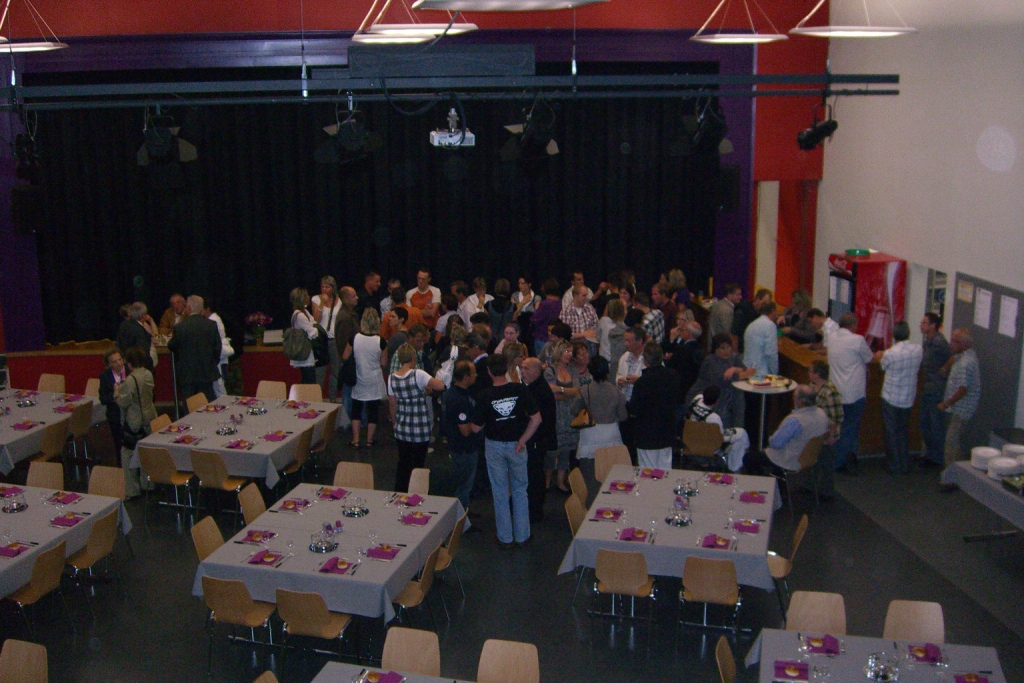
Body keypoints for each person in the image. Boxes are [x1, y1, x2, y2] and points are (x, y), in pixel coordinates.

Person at [470, 354, 542, 547]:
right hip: (517, 445)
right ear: (507, 368)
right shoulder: (520, 389)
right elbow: (536, 418)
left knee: (500, 491)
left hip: (494, 446)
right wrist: (523, 440)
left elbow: (475, 428)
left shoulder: (484, 395)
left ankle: (505, 537)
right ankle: (523, 535)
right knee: (520, 490)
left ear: (489, 371)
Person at [388, 343, 446, 492]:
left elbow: (392, 404)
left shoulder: (391, 378)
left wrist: (395, 423)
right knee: (418, 463)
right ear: (413, 358)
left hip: (402, 428)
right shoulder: (418, 374)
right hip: (420, 428)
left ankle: (400, 492)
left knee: (403, 463)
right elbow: (440, 386)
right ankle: (416, 492)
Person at [743, 386, 828, 476]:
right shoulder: (822, 413)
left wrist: (770, 437)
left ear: (800, 401)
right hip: (809, 459)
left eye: (794, 397)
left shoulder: (795, 420)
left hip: (789, 462)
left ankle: (765, 479)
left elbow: (775, 444)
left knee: (748, 457)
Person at [827, 312, 874, 473]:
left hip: (835, 391)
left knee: (840, 427)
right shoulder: (857, 340)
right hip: (854, 393)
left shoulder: (831, 338)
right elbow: (869, 358)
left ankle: (847, 457)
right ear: (853, 325)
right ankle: (841, 461)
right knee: (849, 428)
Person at [875, 321, 923, 475]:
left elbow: (882, 366)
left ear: (894, 335)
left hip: (891, 396)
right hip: (908, 397)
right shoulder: (918, 349)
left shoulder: (890, 353)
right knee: (903, 430)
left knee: (891, 432)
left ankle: (894, 465)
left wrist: (880, 356)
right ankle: (904, 463)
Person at [576, 356, 628, 500]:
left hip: (590, 433)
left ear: (590, 371)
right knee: (613, 475)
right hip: (611, 433)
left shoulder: (585, 390)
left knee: (590, 476)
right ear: (607, 371)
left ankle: (592, 504)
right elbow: (623, 416)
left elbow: (573, 409)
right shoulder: (616, 392)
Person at [627, 342, 679, 470]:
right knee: (665, 470)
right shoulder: (673, 376)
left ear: (645, 360)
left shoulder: (642, 382)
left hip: (647, 434)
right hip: (666, 432)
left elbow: (634, 409)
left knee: (647, 472)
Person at [686, 333, 755, 429]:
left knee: (738, 396)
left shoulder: (734, 358)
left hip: (727, 397)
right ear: (716, 349)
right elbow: (722, 380)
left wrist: (735, 369)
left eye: (728, 347)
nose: (726, 351)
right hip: (708, 398)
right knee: (733, 394)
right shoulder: (710, 360)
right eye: (722, 348)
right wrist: (742, 374)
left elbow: (749, 372)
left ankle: (737, 431)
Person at [441, 360, 485, 511]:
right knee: (464, 485)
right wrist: (481, 423)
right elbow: (465, 430)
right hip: (464, 449)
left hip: (458, 446)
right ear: (466, 377)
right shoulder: (460, 400)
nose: (476, 375)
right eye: (473, 373)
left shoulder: (453, 393)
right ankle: (460, 516)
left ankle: (462, 512)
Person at [116, 346, 157, 499]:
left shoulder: (130, 380)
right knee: (146, 451)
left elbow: (124, 402)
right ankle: (148, 483)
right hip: (150, 416)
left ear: (130, 363)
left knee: (127, 454)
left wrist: (116, 393)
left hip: (135, 420)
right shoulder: (148, 374)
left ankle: (132, 489)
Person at [939, 328, 981, 472]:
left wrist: (947, 403)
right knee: (956, 443)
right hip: (960, 408)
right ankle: (959, 472)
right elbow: (954, 357)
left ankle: (951, 476)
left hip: (962, 410)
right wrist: (945, 367)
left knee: (951, 442)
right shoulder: (966, 354)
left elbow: (963, 389)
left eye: (954, 341)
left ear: (963, 344)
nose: (950, 343)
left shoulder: (965, 363)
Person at [168, 295, 222, 404]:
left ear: (188, 307)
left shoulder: (180, 327)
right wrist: (211, 362)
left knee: (190, 406)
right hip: (207, 372)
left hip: (187, 374)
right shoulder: (211, 325)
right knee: (208, 406)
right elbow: (217, 348)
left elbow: (171, 346)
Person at [521, 357, 557, 523]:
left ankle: (534, 510)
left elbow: (535, 417)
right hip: (538, 439)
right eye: (522, 368)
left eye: (526, 368)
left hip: (536, 439)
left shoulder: (538, 391)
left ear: (537, 371)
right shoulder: (535, 387)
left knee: (534, 475)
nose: (523, 372)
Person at [685, 385, 750, 472]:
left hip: (690, 438)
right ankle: (734, 466)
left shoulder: (697, 398)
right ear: (716, 401)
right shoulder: (714, 418)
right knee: (742, 434)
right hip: (707, 444)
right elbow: (719, 437)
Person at [544, 340, 581, 493]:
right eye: (566, 351)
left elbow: (577, 391)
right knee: (552, 450)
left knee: (567, 449)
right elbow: (550, 393)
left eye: (571, 352)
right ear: (558, 352)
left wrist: (560, 389)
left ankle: (560, 480)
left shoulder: (573, 369)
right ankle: (546, 481)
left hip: (570, 414)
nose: (569, 354)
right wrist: (568, 392)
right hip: (555, 414)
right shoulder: (550, 370)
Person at [351, 308, 388, 448]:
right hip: (374, 379)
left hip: (359, 377)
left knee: (356, 409)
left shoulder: (354, 338)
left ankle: (355, 440)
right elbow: (383, 363)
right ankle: (369, 440)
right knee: (373, 410)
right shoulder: (381, 341)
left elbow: (345, 356)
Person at [918, 312, 951, 468]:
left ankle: (937, 458)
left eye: (925, 323)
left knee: (934, 423)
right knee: (925, 422)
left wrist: (945, 368)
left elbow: (953, 356)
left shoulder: (939, 342)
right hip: (928, 386)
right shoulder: (928, 341)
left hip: (936, 388)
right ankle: (931, 455)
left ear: (933, 325)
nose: (921, 325)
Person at [807, 360, 843, 500]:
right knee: (814, 460)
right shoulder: (813, 387)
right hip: (816, 432)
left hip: (827, 434)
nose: (808, 373)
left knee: (826, 463)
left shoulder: (830, 392)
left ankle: (827, 491)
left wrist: (832, 435)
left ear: (817, 374)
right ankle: (811, 485)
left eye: (811, 371)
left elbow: (836, 417)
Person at [311, 276, 343, 401]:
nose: (324, 289)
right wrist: (321, 304)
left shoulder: (339, 300)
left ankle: (332, 397)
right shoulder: (316, 299)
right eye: (322, 286)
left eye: (327, 287)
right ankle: (318, 398)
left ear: (333, 288)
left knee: (335, 370)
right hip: (321, 340)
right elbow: (316, 320)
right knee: (320, 371)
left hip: (334, 339)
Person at [664, 318, 704, 411]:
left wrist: (668, 359)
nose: (681, 331)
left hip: (680, 387)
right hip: (694, 385)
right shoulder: (701, 347)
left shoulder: (682, 349)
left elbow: (671, 365)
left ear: (688, 333)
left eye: (683, 329)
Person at [333, 286, 361, 417]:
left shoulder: (350, 314)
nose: (357, 298)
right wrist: (347, 358)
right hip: (348, 360)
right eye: (353, 296)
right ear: (345, 299)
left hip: (351, 358)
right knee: (348, 390)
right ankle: (346, 420)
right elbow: (343, 343)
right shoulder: (345, 318)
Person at [286, 288, 320, 386]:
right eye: (307, 295)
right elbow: (312, 332)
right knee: (309, 380)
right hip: (304, 353)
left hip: (308, 351)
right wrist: (317, 329)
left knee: (307, 379)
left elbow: (313, 322)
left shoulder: (304, 311)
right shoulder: (299, 315)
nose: (309, 297)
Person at [202, 297, 234, 398]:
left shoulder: (212, 320)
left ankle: (224, 405)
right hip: (220, 358)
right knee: (218, 387)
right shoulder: (215, 318)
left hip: (218, 359)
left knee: (219, 388)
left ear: (207, 309)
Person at [99, 347, 127, 455]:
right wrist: (114, 394)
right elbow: (103, 399)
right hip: (115, 416)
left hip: (131, 414)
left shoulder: (130, 372)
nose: (119, 363)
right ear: (109, 364)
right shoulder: (105, 376)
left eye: (120, 359)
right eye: (114, 362)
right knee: (119, 446)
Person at [743, 299, 779, 380]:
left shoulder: (752, 324)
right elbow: (771, 353)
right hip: (761, 373)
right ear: (773, 311)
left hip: (747, 369)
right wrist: (775, 373)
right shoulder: (770, 325)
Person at [732, 288, 773, 353]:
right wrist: (735, 353)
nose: (765, 307)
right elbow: (734, 334)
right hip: (742, 349)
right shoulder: (742, 311)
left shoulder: (761, 313)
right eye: (764, 303)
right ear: (757, 299)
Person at [559, 285, 599, 350]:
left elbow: (597, 325)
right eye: (584, 295)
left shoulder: (589, 308)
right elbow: (564, 334)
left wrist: (592, 331)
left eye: (586, 295)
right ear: (575, 296)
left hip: (590, 346)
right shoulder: (566, 312)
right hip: (573, 347)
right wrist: (583, 334)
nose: (586, 298)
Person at [530, 278, 563, 357]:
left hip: (542, 336)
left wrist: (536, 309)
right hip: (554, 336)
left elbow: (535, 319)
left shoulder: (545, 304)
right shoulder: (559, 301)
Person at [597, 298, 627, 368]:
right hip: (620, 361)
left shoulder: (603, 321)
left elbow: (598, 338)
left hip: (605, 360)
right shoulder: (625, 325)